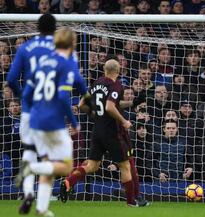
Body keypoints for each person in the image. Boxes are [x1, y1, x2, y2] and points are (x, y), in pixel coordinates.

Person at [15, 27, 84, 217]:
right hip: (53, 123)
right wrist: (73, 121)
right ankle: (30, 168)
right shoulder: (67, 62)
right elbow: (63, 97)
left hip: (35, 119)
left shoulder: (43, 62)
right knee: (66, 167)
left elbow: (27, 92)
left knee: (49, 164)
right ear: (71, 42)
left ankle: (42, 209)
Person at [60, 59, 149, 207]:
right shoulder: (116, 85)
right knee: (125, 166)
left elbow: (82, 104)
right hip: (113, 132)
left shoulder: (96, 83)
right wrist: (123, 121)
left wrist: (94, 114)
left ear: (104, 69)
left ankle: (69, 181)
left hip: (97, 130)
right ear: (118, 70)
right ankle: (131, 202)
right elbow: (109, 107)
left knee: (92, 166)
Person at [6, 14, 56, 215]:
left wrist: (23, 97)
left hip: (28, 111)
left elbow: (10, 79)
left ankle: (27, 192)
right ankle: (42, 208)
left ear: (38, 27)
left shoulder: (25, 48)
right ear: (54, 29)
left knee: (28, 153)